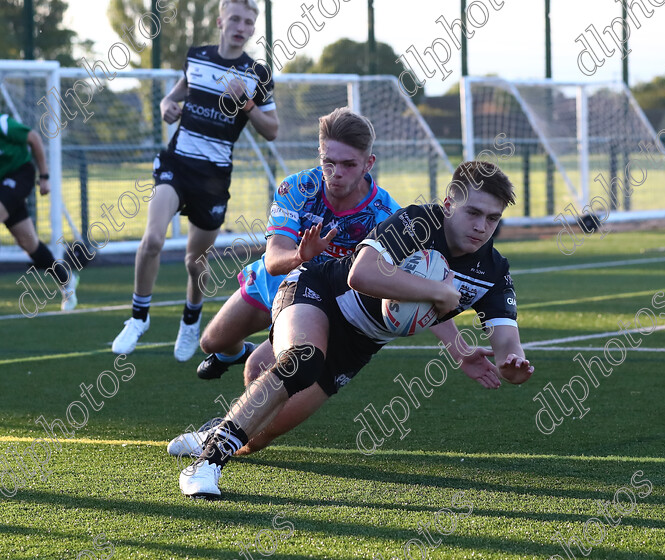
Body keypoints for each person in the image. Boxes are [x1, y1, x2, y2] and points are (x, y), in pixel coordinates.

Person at [177, 161, 534, 498]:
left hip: (359, 344)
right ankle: (207, 462)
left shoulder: (493, 271)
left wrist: (511, 365)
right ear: (448, 204)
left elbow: (506, 340)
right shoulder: (418, 222)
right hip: (320, 291)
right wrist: (437, 291)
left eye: (492, 218)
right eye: (473, 212)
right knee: (301, 361)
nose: (481, 227)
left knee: (257, 438)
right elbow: (360, 275)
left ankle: (217, 430)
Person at [111, 0, 279, 361]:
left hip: (214, 178)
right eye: (235, 18)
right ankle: (138, 317)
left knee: (194, 262)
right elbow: (174, 96)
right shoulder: (198, 57)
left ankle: (191, 317)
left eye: (248, 22)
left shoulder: (258, 74)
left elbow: (273, 130)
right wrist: (165, 107)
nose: (241, 26)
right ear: (220, 21)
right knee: (153, 238)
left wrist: (247, 104)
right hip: (177, 164)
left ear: (252, 29)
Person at [194, 107, 401, 382]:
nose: (336, 173)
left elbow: (403, 274)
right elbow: (273, 259)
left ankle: (241, 425)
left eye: (349, 164)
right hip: (278, 277)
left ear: (368, 163)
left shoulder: (386, 215)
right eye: (329, 161)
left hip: (322, 298)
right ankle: (232, 353)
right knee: (211, 342)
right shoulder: (298, 189)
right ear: (320, 154)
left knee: (258, 369)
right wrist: (301, 255)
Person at [1, 113, 78, 310]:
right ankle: (66, 280)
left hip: (20, 174)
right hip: (3, 185)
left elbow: (34, 138)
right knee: (29, 243)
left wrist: (44, 176)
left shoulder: (4, 124)